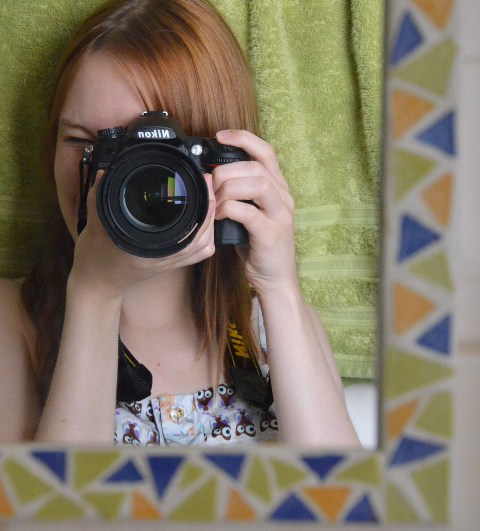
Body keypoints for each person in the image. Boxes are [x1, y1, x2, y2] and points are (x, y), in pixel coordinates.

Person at [0, 0, 360, 447]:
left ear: (219, 162)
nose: (106, 180)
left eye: (149, 157)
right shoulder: (14, 321)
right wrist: (94, 294)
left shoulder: (273, 325)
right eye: (81, 141)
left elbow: (336, 488)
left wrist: (278, 285)